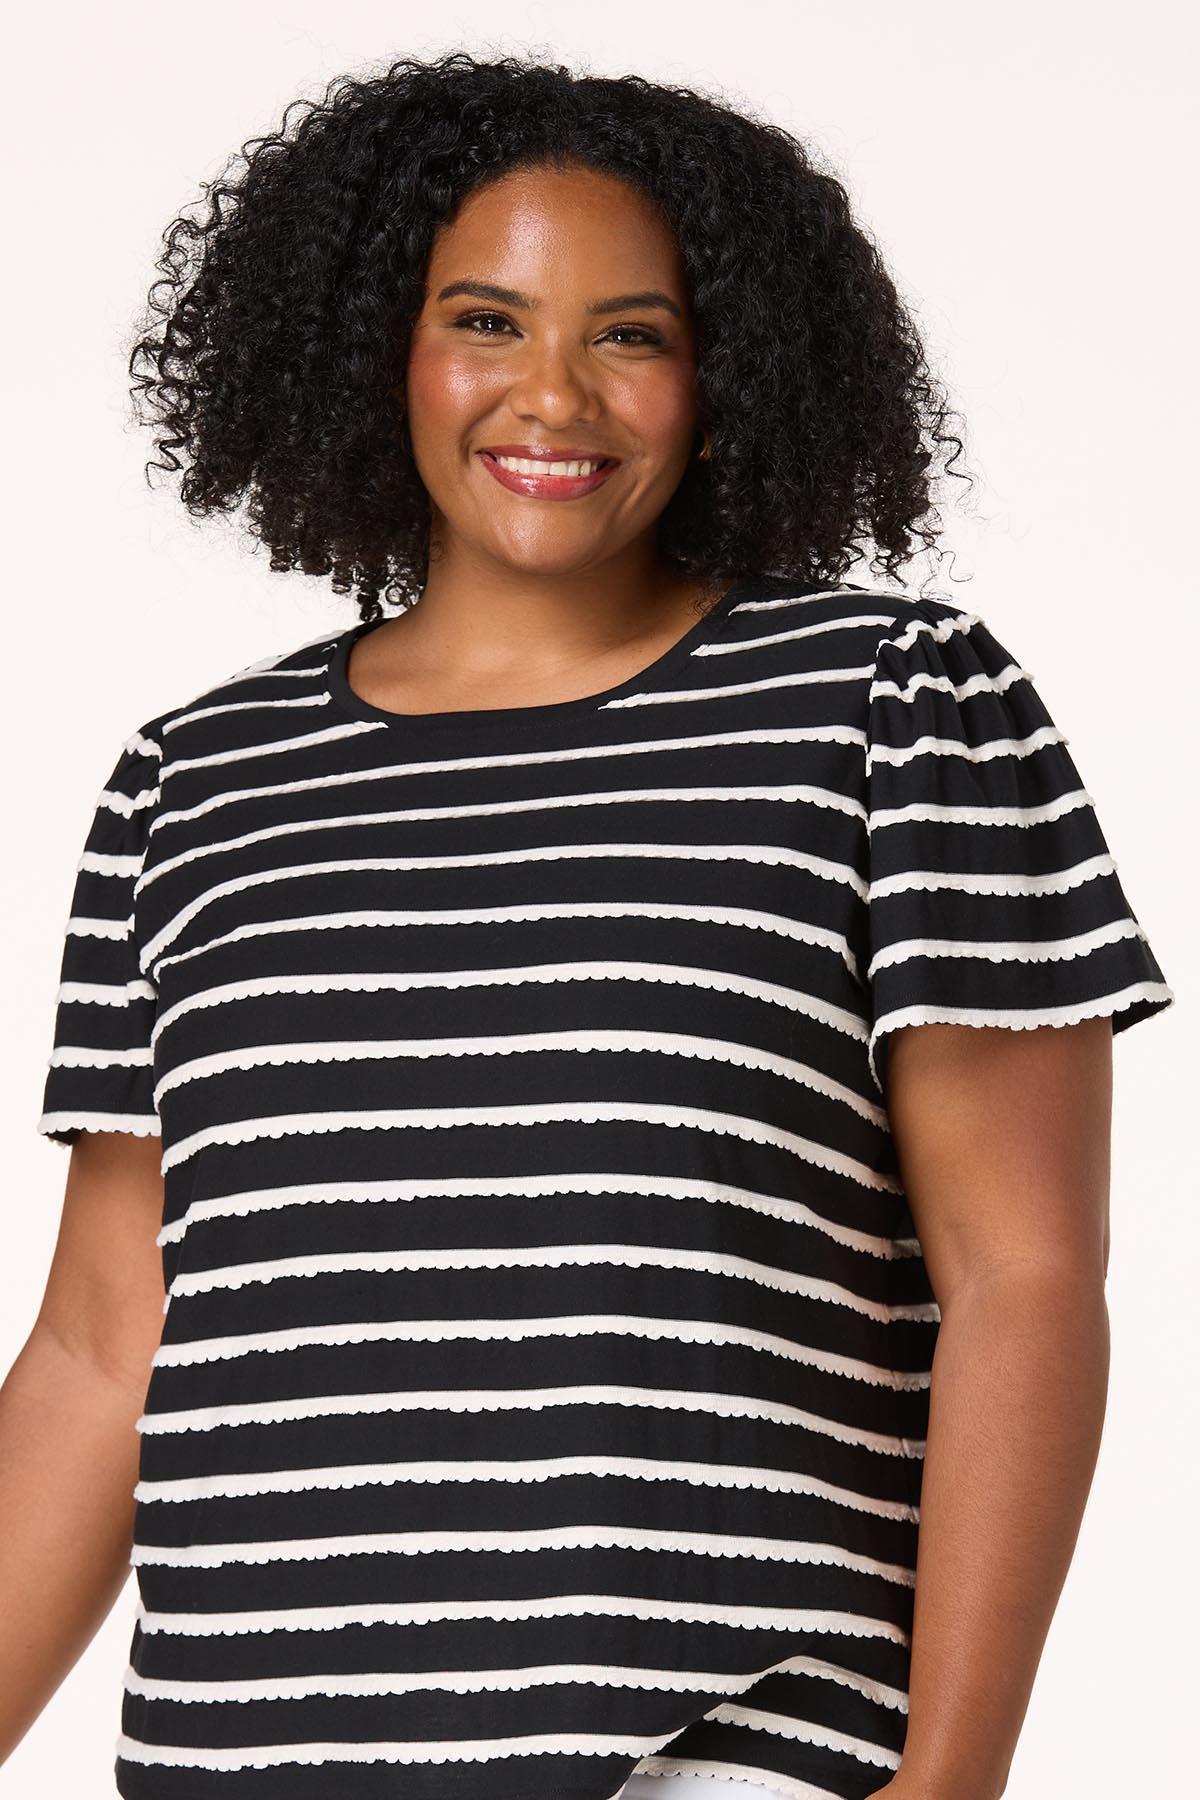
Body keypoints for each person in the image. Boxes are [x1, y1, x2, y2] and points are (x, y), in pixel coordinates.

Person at [1, 48, 1174, 1800]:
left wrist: (951, 1787)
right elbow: (104, 1346)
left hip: (714, 1755)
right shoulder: (198, 783)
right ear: (374, 347)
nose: (552, 396)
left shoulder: (888, 712)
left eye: (633, 334)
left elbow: (1023, 1275)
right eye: (485, 320)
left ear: (726, 374)